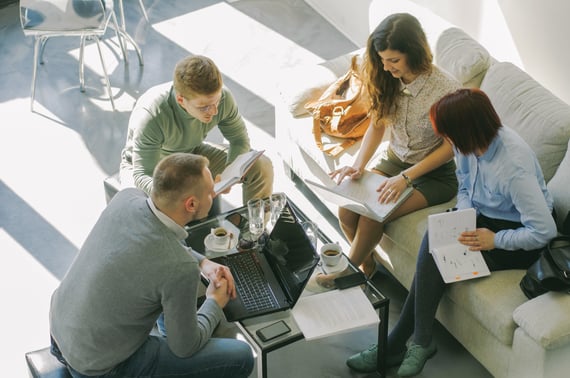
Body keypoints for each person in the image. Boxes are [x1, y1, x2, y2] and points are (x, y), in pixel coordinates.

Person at [346, 88, 558, 376]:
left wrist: (494, 240)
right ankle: (410, 342)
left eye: (448, 136)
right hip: (483, 217)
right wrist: (462, 213)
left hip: (519, 233)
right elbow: (465, 186)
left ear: (466, 130)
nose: (446, 143)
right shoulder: (468, 144)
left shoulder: (513, 166)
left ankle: (405, 343)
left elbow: (545, 231)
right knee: (436, 236)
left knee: (436, 252)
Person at [50, 153, 254, 378]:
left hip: (60, 334)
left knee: (162, 286)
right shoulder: (180, 268)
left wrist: (203, 262)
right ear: (192, 204)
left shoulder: (127, 198)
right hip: (99, 368)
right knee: (241, 355)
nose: (214, 193)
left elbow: (157, 245)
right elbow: (185, 348)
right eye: (210, 191)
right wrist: (214, 301)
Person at [316, 13, 461, 287]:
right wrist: (359, 164)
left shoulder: (445, 89)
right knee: (347, 210)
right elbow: (378, 124)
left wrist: (405, 178)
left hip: (434, 175)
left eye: (393, 60)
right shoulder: (386, 77)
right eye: (382, 59)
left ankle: (347, 273)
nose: (386, 67)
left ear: (414, 53)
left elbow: (450, 148)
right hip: (396, 160)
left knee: (373, 212)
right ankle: (367, 265)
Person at [120, 54, 273, 207]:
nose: (214, 112)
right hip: (148, 167)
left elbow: (239, 140)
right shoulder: (152, 114)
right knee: (147, 208)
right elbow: (142, 175)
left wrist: (228, 174)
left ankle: (252, 229)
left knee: (261, 166)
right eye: (204, 107)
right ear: (181, 100)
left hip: (190, 153)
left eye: (217, 102)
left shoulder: (223, 98)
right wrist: (177, 195)